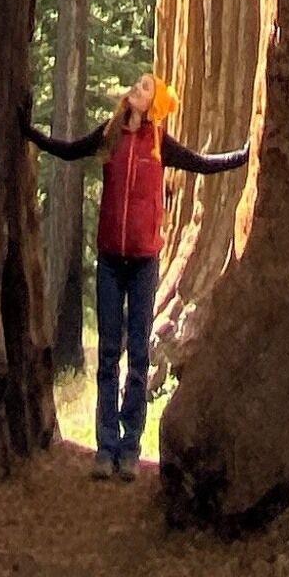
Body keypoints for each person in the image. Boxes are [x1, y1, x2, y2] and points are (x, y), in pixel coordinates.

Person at [24, 73, 248, 477]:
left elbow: (203, 163)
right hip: (111, 260)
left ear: (153, 104)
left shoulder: (160, 142)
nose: (136, 88)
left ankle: (130, 448)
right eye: (138, 84)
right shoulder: (109, 135)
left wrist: (245, 155)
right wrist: (30, 134)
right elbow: (69, 150)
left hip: (144, 262)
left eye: (146, 87)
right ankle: (105, 448)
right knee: (109, 356)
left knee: (139, 356)